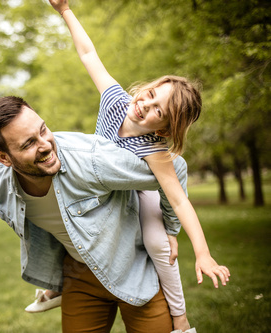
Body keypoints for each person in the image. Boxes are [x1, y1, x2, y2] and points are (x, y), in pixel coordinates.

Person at [46, 1, 230, 331]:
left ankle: (181, 320)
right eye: (149, 94)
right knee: (51, 202)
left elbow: (179, 200)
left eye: (158, 109)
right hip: (96, 183)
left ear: (163, 128)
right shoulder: (116, 101)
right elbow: (89, 55)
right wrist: (65, 11)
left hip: (134, 193)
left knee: (159, 243)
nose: (144, 104)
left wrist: (202, 252)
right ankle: (52, 284)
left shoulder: (155, 149)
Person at [0, 94, 229, 332]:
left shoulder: (92, 161)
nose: (45, 145)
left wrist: (170, 228)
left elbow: (176, 168)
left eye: (43, 130)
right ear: (4, 158)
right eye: (29, 143)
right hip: (79, 277)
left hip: (134, 270)